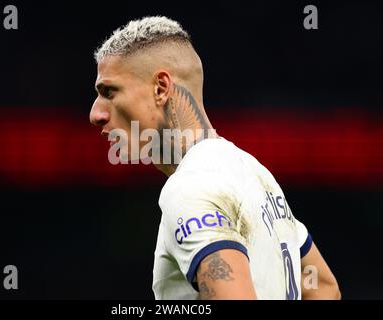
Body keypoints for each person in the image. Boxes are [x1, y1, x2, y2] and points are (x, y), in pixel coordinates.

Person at [90, 16, 340, 300]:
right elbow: (322, 287)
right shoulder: (254, 172)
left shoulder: (190, 188)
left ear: (161, 88)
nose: (95, 114)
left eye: (109, 92)